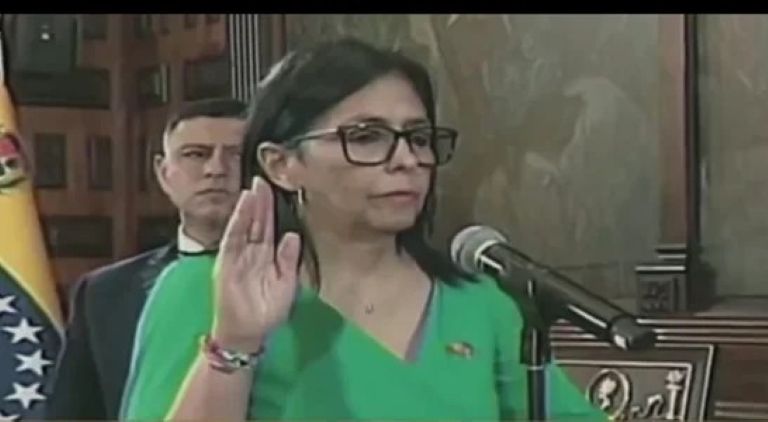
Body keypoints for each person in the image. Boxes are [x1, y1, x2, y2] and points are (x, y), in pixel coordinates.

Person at [120, 38, 605, 420]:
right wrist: (234, 346)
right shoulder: (203, 288)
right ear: (282, 165)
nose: (406, 160)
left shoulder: (480, 304)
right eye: (367, 137)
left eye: (418, 138)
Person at [46, 98, 247, 420]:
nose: (216, 169)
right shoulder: (106, 292)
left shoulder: (309, 277)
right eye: (196, 154)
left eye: (236, 155)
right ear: (164, 173)